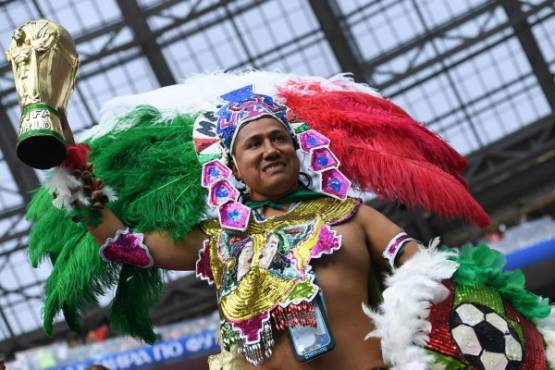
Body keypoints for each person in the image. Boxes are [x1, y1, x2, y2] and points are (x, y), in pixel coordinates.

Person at [26, 72, 553, 369]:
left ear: (300, 150)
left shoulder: (352, 215)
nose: (271, 148)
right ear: (232, 165)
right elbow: (124, 247)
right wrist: (62, 171)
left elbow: (433, 277)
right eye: (254, 143)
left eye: (280, 137)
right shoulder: (217, 241)